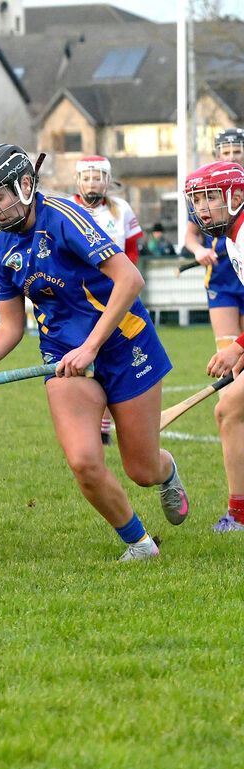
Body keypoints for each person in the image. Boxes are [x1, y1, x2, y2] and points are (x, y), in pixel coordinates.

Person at [0, 144, 186, 562]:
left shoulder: (66, 219)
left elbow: (130, 280)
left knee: (142, 470)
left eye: (0, 195)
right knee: (85, 462)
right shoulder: (0, 250)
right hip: (63, 358)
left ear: (25, 185)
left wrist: (91, 347)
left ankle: (167, 470)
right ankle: (141, 545)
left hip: (125, 344)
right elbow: (12, 328)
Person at [184, 160, 244, 533]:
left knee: (229, 409)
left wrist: (237, 346)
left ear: (236, 196)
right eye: (197, 200)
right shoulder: (231, 237)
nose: (201, 208)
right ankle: (238, 514)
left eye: (209, 198)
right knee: (229, 409)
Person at [72, 154, 144, 447]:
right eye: (87, 177)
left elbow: (131, 252)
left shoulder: (121, 210)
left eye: (98, 177)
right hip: (82, 296)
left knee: (115, 356)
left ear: (107, 179)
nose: (93, 182)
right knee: (90, 357)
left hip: (116, 294)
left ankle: (107, 422)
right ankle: (93, 422)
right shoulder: (67, 208)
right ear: (78, 180)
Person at [184, 128, 244, 353]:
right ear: (217, 154)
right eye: (225, 151)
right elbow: (190, 234)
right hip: (221, 278)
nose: (231, 156)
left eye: (237, 151)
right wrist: (199, 250)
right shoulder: (207, 190)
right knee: (227, 349)